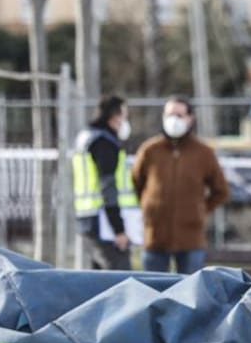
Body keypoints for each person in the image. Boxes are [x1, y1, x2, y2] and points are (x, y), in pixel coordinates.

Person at [131, 96, 230, 274]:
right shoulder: (150, 150)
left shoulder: (203, 153)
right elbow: (136, 182)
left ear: (190, 118)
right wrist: (149, 206)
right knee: (150, 290)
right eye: (169, 114)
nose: (173, 119)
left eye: (179, 114)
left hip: (191, 238)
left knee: (189, 292)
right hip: (155, 235)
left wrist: (200, 210)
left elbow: (221, 190)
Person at [72, 95, 137, 270]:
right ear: (114, 116)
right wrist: (118, 229)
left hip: (88, 219)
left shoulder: (87, 139)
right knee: (120, 279)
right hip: (104, 223)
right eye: (124, 115)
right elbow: (108, 188)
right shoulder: (104, 144)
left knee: (98, 282)